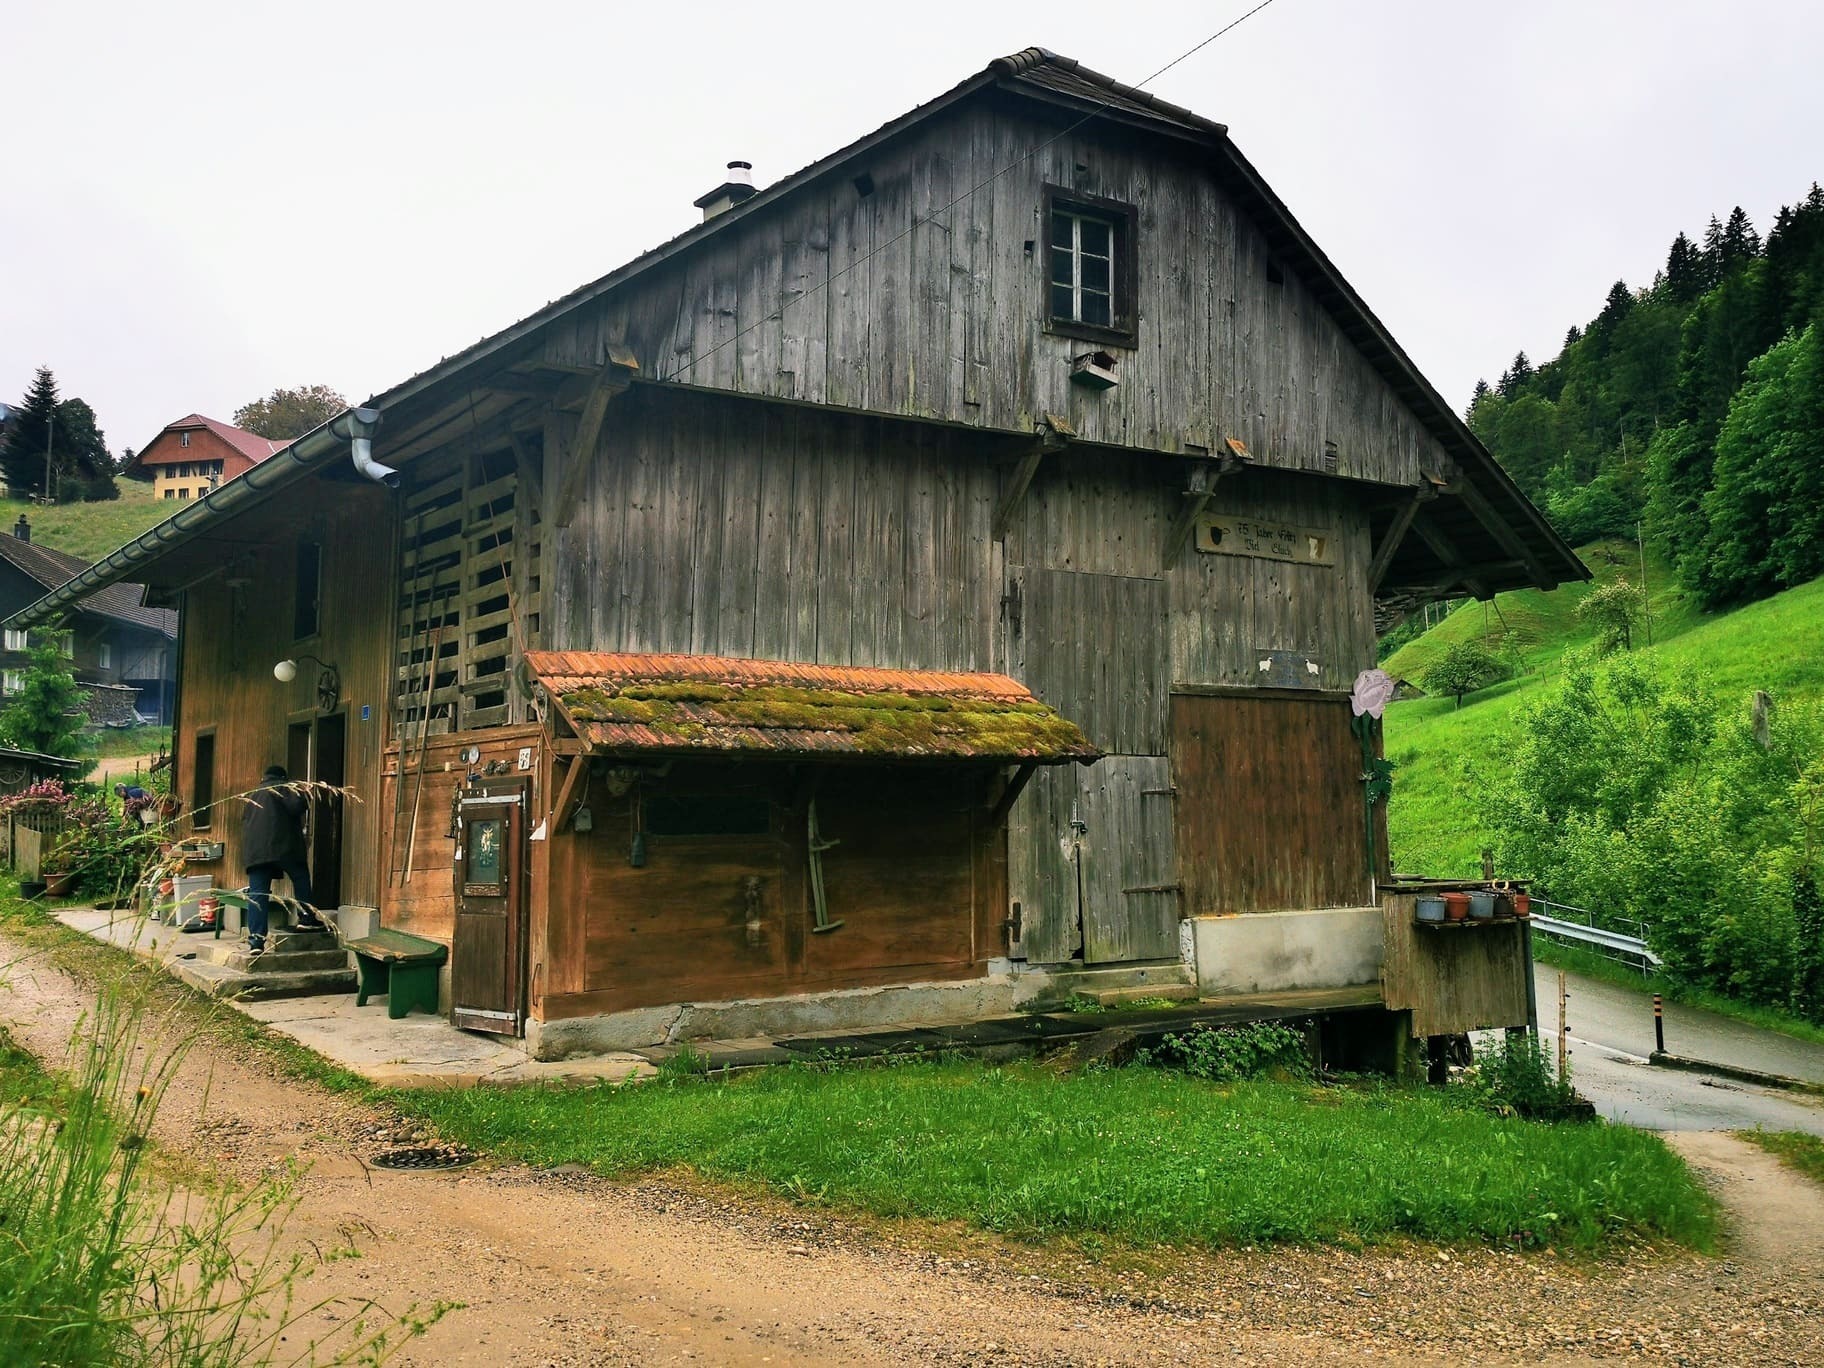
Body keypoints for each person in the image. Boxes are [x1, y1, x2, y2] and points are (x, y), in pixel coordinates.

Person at [240, 765, 323, 953]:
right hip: (284, 848)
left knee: (258, 894)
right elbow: (296, 807)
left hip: (256, 853)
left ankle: (256, 941)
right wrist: (305, 794)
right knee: (300, 877)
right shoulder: (283, 787)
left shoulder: (252, 796)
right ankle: (306, 919)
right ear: (283, 776)